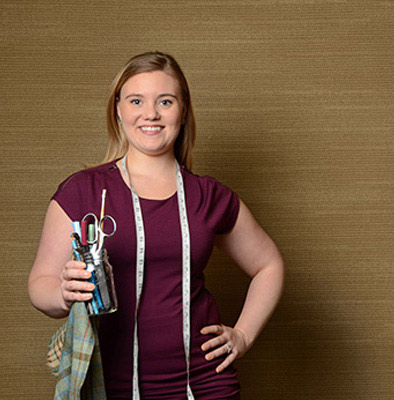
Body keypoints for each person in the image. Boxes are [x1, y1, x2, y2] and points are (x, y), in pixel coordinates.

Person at [28, 51, 285, 399]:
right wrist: (61, 293)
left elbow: (268, 264)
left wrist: (242, 335)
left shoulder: (208, 196)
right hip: (112, 384)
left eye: (165, 101)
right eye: (137, 100)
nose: (150, 113)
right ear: (118, 109)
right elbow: (39, 284)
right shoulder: (83, 191)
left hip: (205, 384)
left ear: (182, 111)